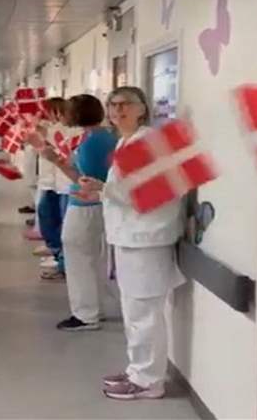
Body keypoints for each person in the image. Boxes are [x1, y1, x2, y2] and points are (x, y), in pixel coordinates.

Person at [77, 86, 186, 400]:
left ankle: (148, 381)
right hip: (132, 238)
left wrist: (104, 189)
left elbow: (147, 192)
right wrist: (101, 190)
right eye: (112, 105)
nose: (117, 110)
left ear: (142, 109)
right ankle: (137, 369)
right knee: (135, 310)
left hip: (146, 241)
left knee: (144, 313)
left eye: (125, 104)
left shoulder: (149, 142)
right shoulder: (128, 142)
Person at [40, 94, 118, 332]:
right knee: (93, 258)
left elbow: (84, 181)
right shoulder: (104, 137)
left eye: (66, 111)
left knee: (79, 258)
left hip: (86, 206)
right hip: (96, 205)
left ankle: (85, 314)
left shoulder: (91, 142)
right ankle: (95, 308)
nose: (62, 115)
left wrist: (56, 160)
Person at [33, 98, 70, 281]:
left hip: (66, 185)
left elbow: (59, 150)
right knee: (47, 217)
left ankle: (62, 263)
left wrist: (43, 137)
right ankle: (57, 253)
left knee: (63, 225)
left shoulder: (68, 130)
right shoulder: (51, 128)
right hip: (52, 183)